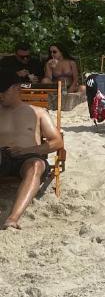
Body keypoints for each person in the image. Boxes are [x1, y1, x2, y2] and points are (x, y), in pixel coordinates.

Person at [0, 73, 64, 229]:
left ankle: (13, 219)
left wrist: (25, 151)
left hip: (28, 157)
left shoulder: (39, 112)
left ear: (17, 88)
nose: (0, 95)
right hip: (2, 155)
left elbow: (57, 142)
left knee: (36, 165)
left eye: (3, 91)